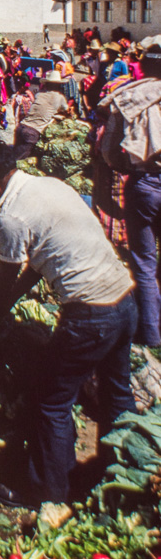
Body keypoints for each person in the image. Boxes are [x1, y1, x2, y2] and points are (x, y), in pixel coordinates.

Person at [0, 140, 136, 506]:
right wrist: (2, 305)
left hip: (90, 316)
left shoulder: (11, 215)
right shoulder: (52, 185)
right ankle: (120, 477)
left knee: (51, 403)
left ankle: (48, 492)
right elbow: (37, 265)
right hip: (123, 298)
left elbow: (8, 277)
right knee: (116, 393)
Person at [98, 41, 161, 346]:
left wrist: (123, 164)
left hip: (144, 184)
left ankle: (150, 334)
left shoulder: (130, 96)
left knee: (145, 263)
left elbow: (109, 150)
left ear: (143, 66)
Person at [13, 71, 69, 158]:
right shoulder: (60, 97)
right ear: (58, 85)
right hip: (32, 131)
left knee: (15, 153)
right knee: (17, 161)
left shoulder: (39, 94)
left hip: (21, 126)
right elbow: (67, 110)